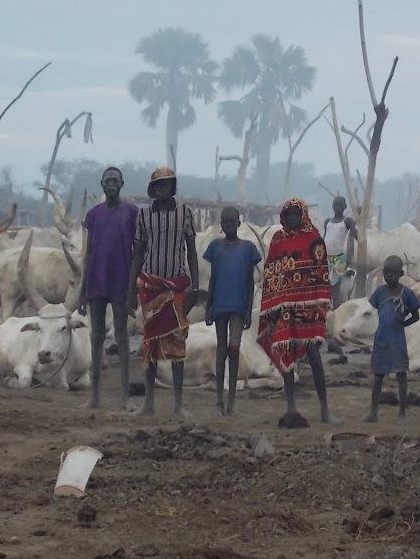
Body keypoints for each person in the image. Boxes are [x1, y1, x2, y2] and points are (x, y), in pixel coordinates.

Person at [257, 198, 338, 428]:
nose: (292, 217)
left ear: (302, 215)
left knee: (314, 357)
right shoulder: (277, 240)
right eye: (289, 214)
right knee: (287, 357)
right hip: (284, 310)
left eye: (296, 214)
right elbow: (271, 273)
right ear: (284, 216)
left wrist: (319, 305)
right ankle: (291, 407)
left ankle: (325, 410)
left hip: (309, 309)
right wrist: (273, 307)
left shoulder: (314, 239)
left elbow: (321, 273)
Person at [126, 167, 199, 417]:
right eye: (157, 185)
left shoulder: (185, 213)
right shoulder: (144, 216)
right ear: (153, 189)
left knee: (178, 341)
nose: (161, 189)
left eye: (166, 185)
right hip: (150, 286)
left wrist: (195, 287)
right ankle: (149, 403)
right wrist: (129, 290)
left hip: (176, 286)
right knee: (150, 343)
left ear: (172, 187)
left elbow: (191, 250)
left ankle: (179, 404)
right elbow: (137, 253)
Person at [78, 166, 139, 410]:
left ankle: (124, 398)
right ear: (101, 184)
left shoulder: (132, 213)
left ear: (122, 184)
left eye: (115, 180)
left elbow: (137, 252)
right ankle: (95, 396)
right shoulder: (94, 215)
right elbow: (89, 252)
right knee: (96, 337)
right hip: (96, 279)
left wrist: (133, 289)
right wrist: (82, 290)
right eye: (107, 180)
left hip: (121, 280)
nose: (111, 184)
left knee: (122, 336)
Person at [203, 206, 262, 415]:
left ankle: (232, 403)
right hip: (219, 305)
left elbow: (250, 281)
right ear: (221, 225)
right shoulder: (215, 247)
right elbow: (213, 279)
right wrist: (208, 307)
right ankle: (218, 401)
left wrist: (248, 309)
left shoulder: (248, 249)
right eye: (225, 222)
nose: (228, 225)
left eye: (232, 222)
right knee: (220, 351)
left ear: (239, 223)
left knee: (234, 350)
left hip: (238, 307)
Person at [364, 255, 420, 425]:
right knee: (378, 376)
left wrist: (403, 323)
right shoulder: (380, 292)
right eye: (386, 273)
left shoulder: (407, 293)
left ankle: (402, 413)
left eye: (393, 273)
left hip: (397, 339)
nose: (389, 276)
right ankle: (373, 412)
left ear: (401, 273)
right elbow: (372, 309)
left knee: (401, 375)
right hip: (381, 339)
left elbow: (416, 315)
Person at [323, 195, 358, 308]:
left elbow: (355, 236)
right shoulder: (327, 221)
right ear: (332, 206)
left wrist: (350, 256)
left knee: (335, 286)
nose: (337, 207)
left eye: (340, 205)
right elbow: (325, 238)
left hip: (339, 258)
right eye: (335, 205)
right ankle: (327, 307)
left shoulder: (347, 221)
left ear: (345, 206)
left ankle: (337, 310)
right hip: (326, 257)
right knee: (325, 284)